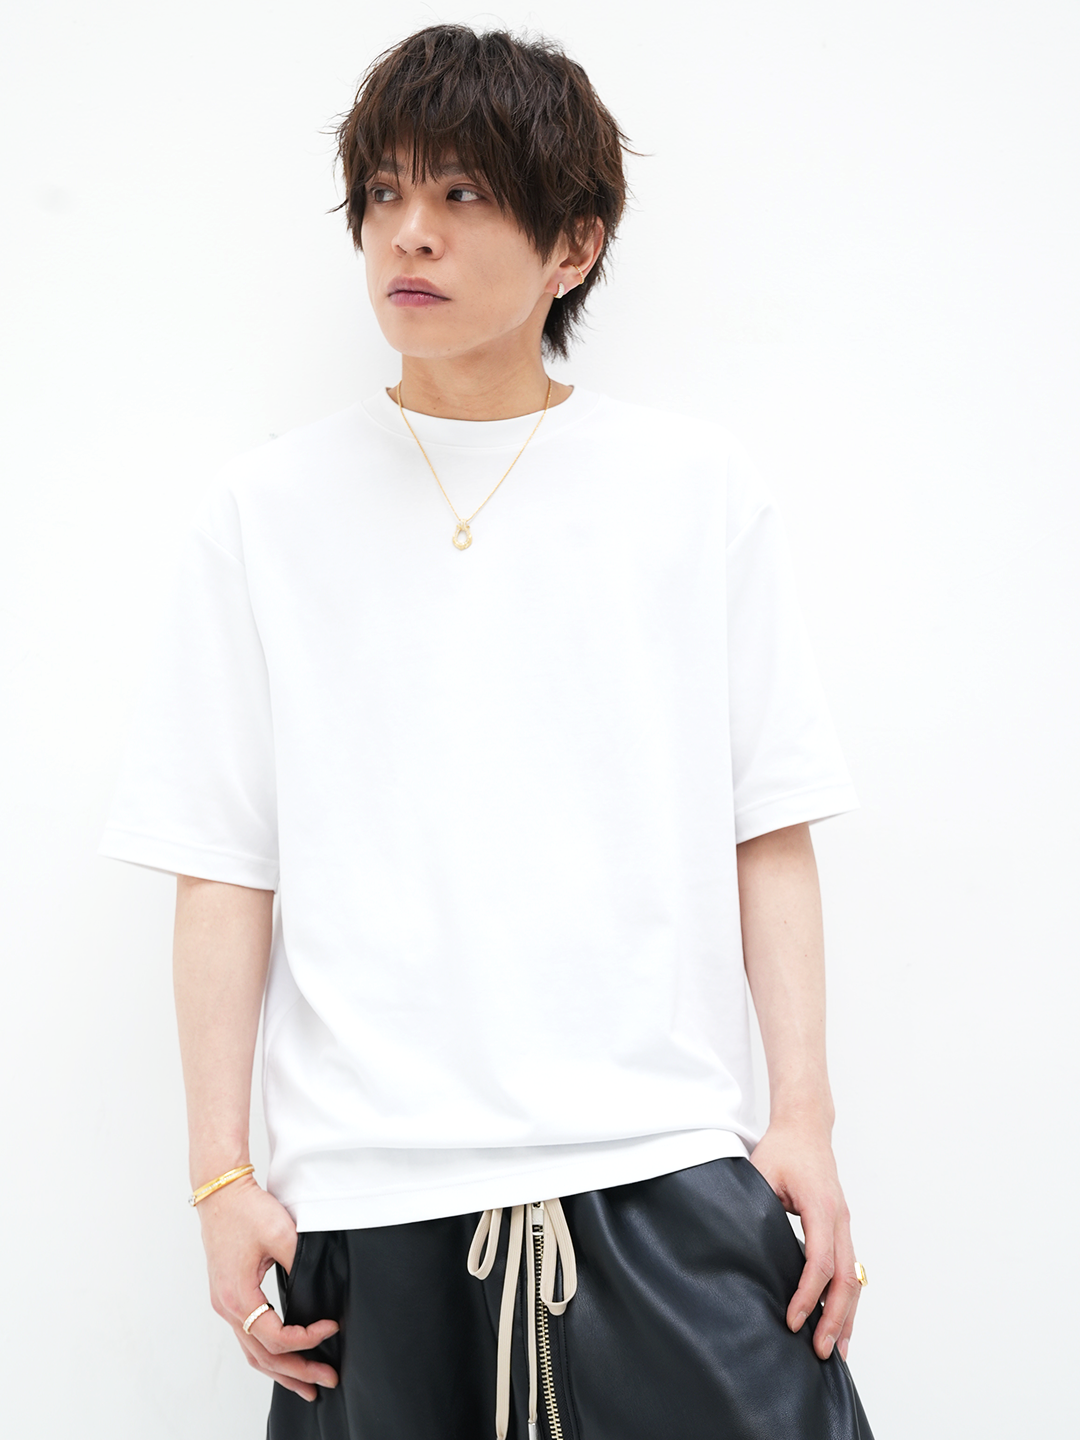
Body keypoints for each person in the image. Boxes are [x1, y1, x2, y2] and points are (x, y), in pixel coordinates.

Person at [100, 23, 875, 1440]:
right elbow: (223, 866)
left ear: (574, 245)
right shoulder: (264, 512)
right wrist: (220, 1177)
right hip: (373, 1198)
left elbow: (769, 826)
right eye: (385, 192)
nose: (411, 231)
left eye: (462, 193)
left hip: (661, 1166)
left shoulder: (692, 490)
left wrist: (805, 1123)